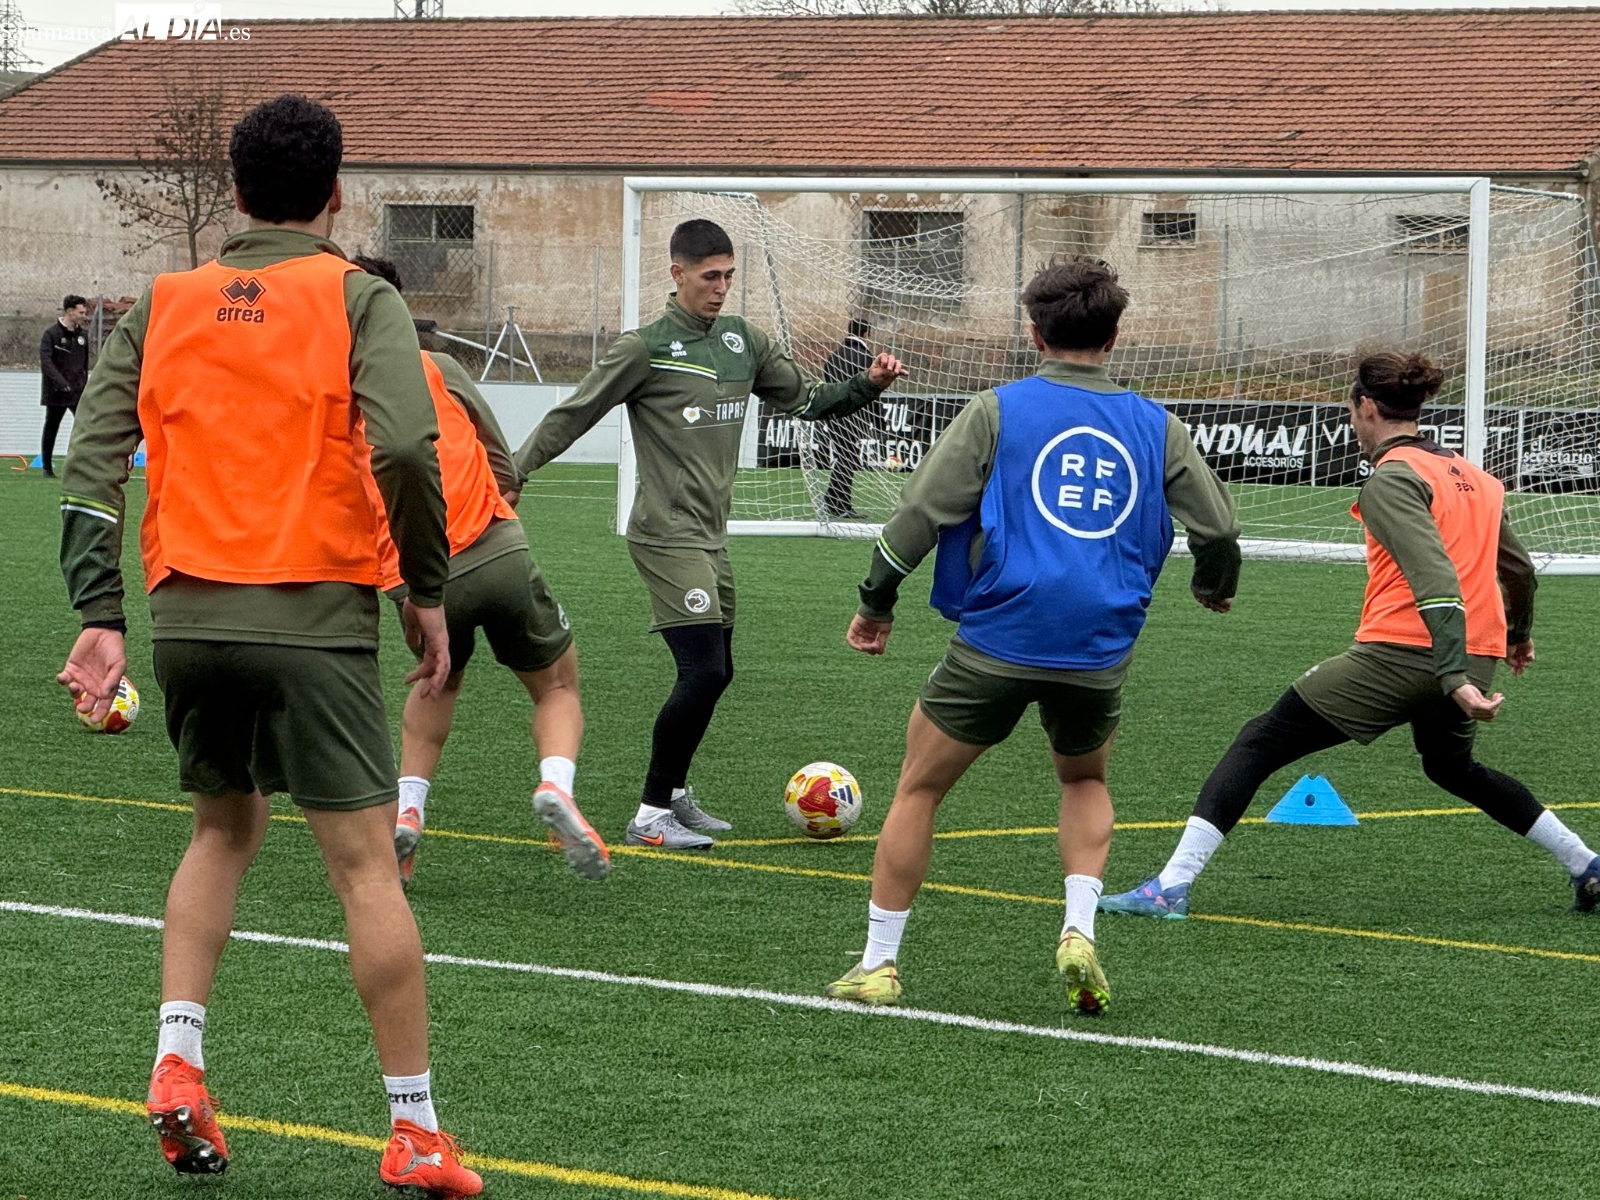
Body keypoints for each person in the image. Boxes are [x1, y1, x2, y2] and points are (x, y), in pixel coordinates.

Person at [56, 96, 481, 1197]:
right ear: (336, 194)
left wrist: (99, 613)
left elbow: (90, 468)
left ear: (236, 192)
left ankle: (180, 1061)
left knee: (219, 831)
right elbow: (402, 448)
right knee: (364, 864)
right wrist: (423, 591)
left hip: (190, 622)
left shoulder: (162, 302)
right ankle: (417, 1129)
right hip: (314, 619)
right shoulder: (355, 299)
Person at [823, 257, 1241, 1015]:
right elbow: (1218, 527)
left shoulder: (997, 409)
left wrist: (875, 602)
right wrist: (1214, 587)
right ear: (1115, 336)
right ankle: (1078, 928)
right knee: (1083, 779)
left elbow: (920, 515)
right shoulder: (1157, 424)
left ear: (1032, 330)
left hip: (1002, 633)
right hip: (1100, 646)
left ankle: (879, 963)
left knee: (920, 786)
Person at [1102, 351, 1600, 921]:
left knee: (1259, 740)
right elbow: (1519, 572)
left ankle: (1170, 886)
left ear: (1365, 407)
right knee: (1451, 768)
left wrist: (1451, 674)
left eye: (1350, 408)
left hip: (1409, 655)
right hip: (1475, 653)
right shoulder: (1478, 479)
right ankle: (1586, 864)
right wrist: (1516, 637)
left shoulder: (1392, 478)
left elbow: (1433, 575)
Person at [515, 218, 906, 850]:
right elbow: (574, 413)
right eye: (709, 276)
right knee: (700, 671)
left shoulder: (743, 342)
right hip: (664, 534)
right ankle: (650, 815)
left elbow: (806, 402)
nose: (721, 288)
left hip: (709, 536)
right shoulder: (643, 349)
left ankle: (672, 794)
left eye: (728, 275)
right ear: (677, 275)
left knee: (717, 672)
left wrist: (869, 384)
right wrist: (516, 472)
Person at [350, 255, 606, 889]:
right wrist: (494, 512)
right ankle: (556, 786)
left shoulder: (322, 392)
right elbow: (503, 465)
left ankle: (408, 808)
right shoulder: (437, 365)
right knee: (557, 687)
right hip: (494, 552)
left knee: (436, 685)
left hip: (410, 580)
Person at [819, 315, 876, 519]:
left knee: (845, 455)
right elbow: (873, 389)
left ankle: (833, 498)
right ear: (866, 333)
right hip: (853, 415)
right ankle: (840, 502)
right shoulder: (865, 357)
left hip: (832, 413)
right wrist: (879, 419)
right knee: (849, 457)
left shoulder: (834, 356)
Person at [39, 294, 90, 478]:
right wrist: (61, 383)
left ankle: (82, 466)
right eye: (81, 312)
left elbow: (84, 363)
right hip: (57, 391)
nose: (84, 315)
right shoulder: (51, 335)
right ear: (69, 312)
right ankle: (46, 468)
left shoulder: (82, 335)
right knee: (52, 427)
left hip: (78, 391)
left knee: (85, 427)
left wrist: (84, 383)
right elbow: (46, 363)